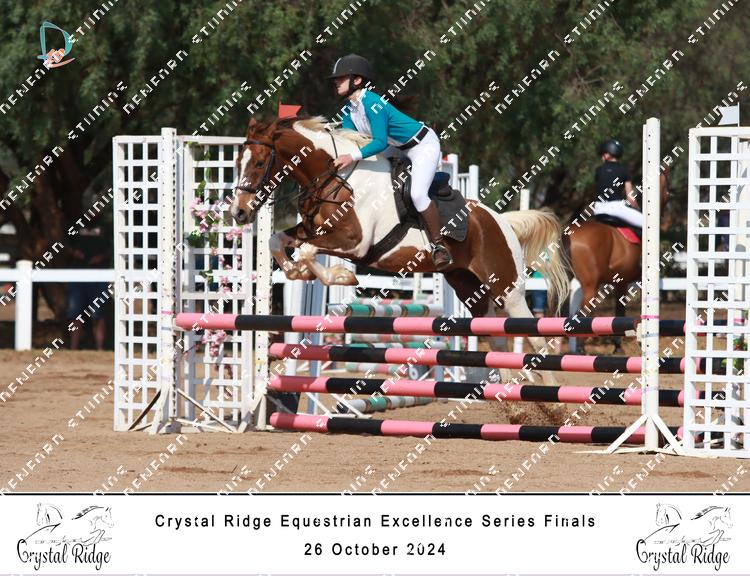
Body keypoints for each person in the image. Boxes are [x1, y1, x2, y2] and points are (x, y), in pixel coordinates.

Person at [328, 54, 453, 270]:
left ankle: (439, 245)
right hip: (396, 146)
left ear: (357, 80)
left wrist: (351, 156)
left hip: (422, 145)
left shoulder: (372, 103)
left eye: (341, 78)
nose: (336, 82)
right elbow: (350, 140)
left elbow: (377, 142)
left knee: (417, 194)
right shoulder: (349, 109)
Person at [591, 139, 642, 229]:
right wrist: (637, 209)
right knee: (648, 225)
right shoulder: (624, 171)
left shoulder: (598, 170)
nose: (602, 156)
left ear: (608, 154)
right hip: (617, 209)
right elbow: (630, 198)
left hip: (598, 210)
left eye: (603, 153)